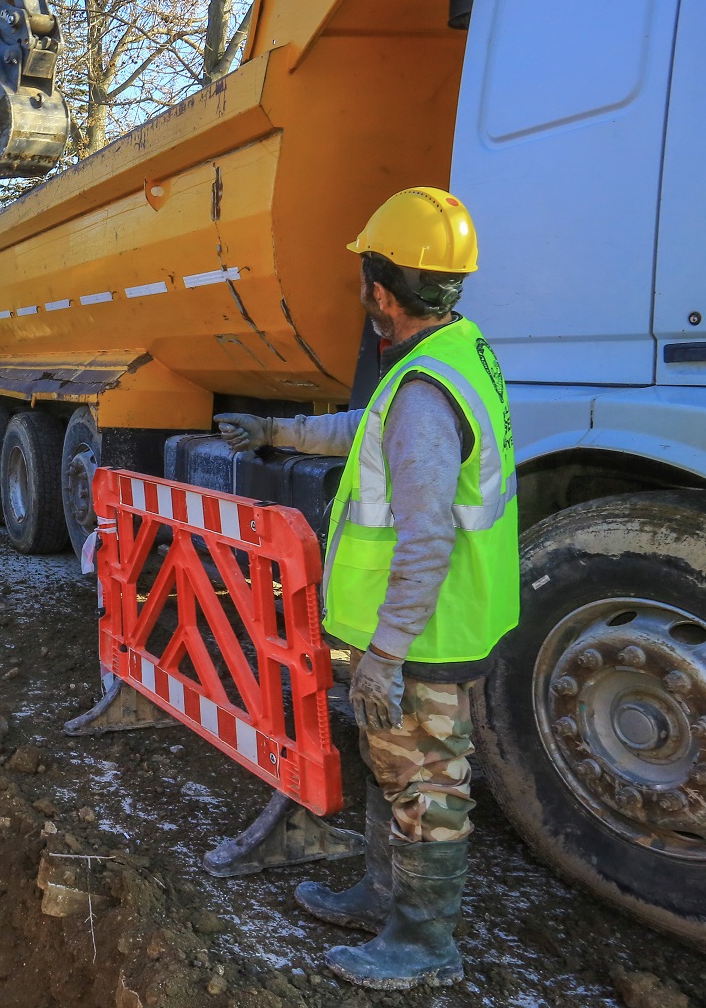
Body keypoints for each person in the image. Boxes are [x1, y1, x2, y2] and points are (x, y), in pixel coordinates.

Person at [214, 186, 518, 991]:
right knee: (398, 767)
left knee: (426, 783)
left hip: (424, 634)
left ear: (382, 291)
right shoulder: (451, 355)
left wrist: (383, 654)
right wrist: (276, 429)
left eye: (364, 277)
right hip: (442, 623)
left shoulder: (423, 390)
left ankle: (421, 942)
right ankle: (382, 896)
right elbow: (367, 430)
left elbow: (426, 539)